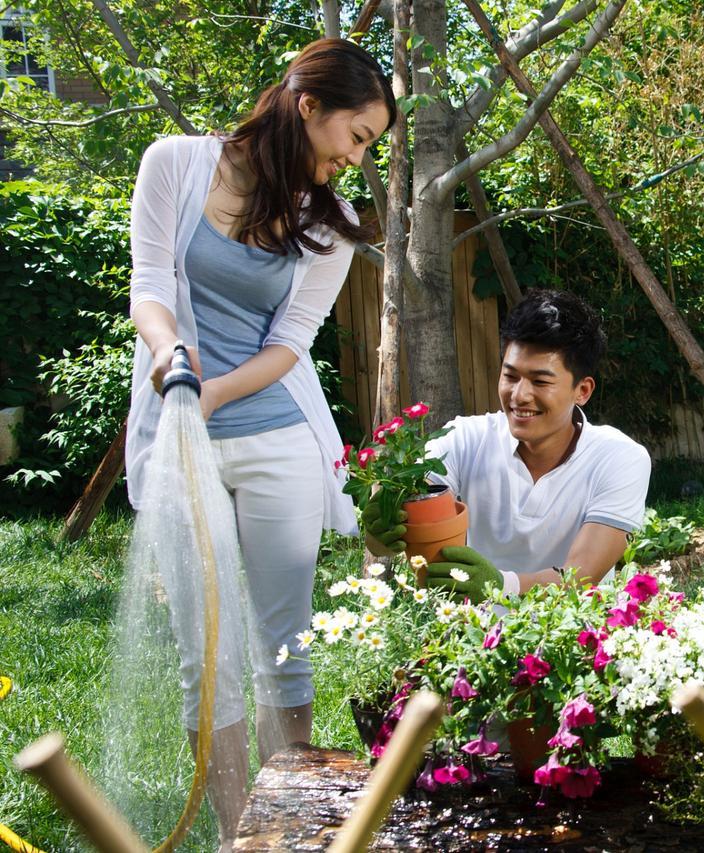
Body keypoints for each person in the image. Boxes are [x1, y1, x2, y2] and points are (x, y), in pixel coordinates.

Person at [126, 38, 393, 849]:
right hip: (182, 440)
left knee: (286, 644)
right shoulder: (175, 165)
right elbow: (149, 288)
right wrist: (171, 356)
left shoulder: (335, 227)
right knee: (205, 657)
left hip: (277, 438)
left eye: (369, 145)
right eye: (357, 135)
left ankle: (286, 830)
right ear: (308, 106)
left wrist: (213, 392)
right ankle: (234, 833)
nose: (357, 158)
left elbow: (290, 344)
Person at [365, 289, 651, 598]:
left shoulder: (620, 458)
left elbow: (580, 577)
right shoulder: (464, 439)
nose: (519, 395)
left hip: (571, 625)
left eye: (540, 381)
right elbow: (410, 517)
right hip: (472, 624)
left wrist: (500, 586)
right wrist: (382, 532)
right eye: (510, 376)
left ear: (582, 390)